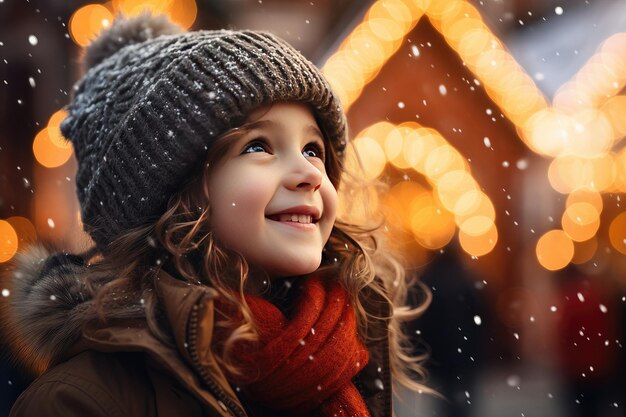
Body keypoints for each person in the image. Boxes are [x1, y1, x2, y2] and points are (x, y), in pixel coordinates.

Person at [1, 13, 431, 417]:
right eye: (258, 146)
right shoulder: (81, 401)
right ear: (173, 194)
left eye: (313, 149)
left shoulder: (341, 353)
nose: (308, 174)